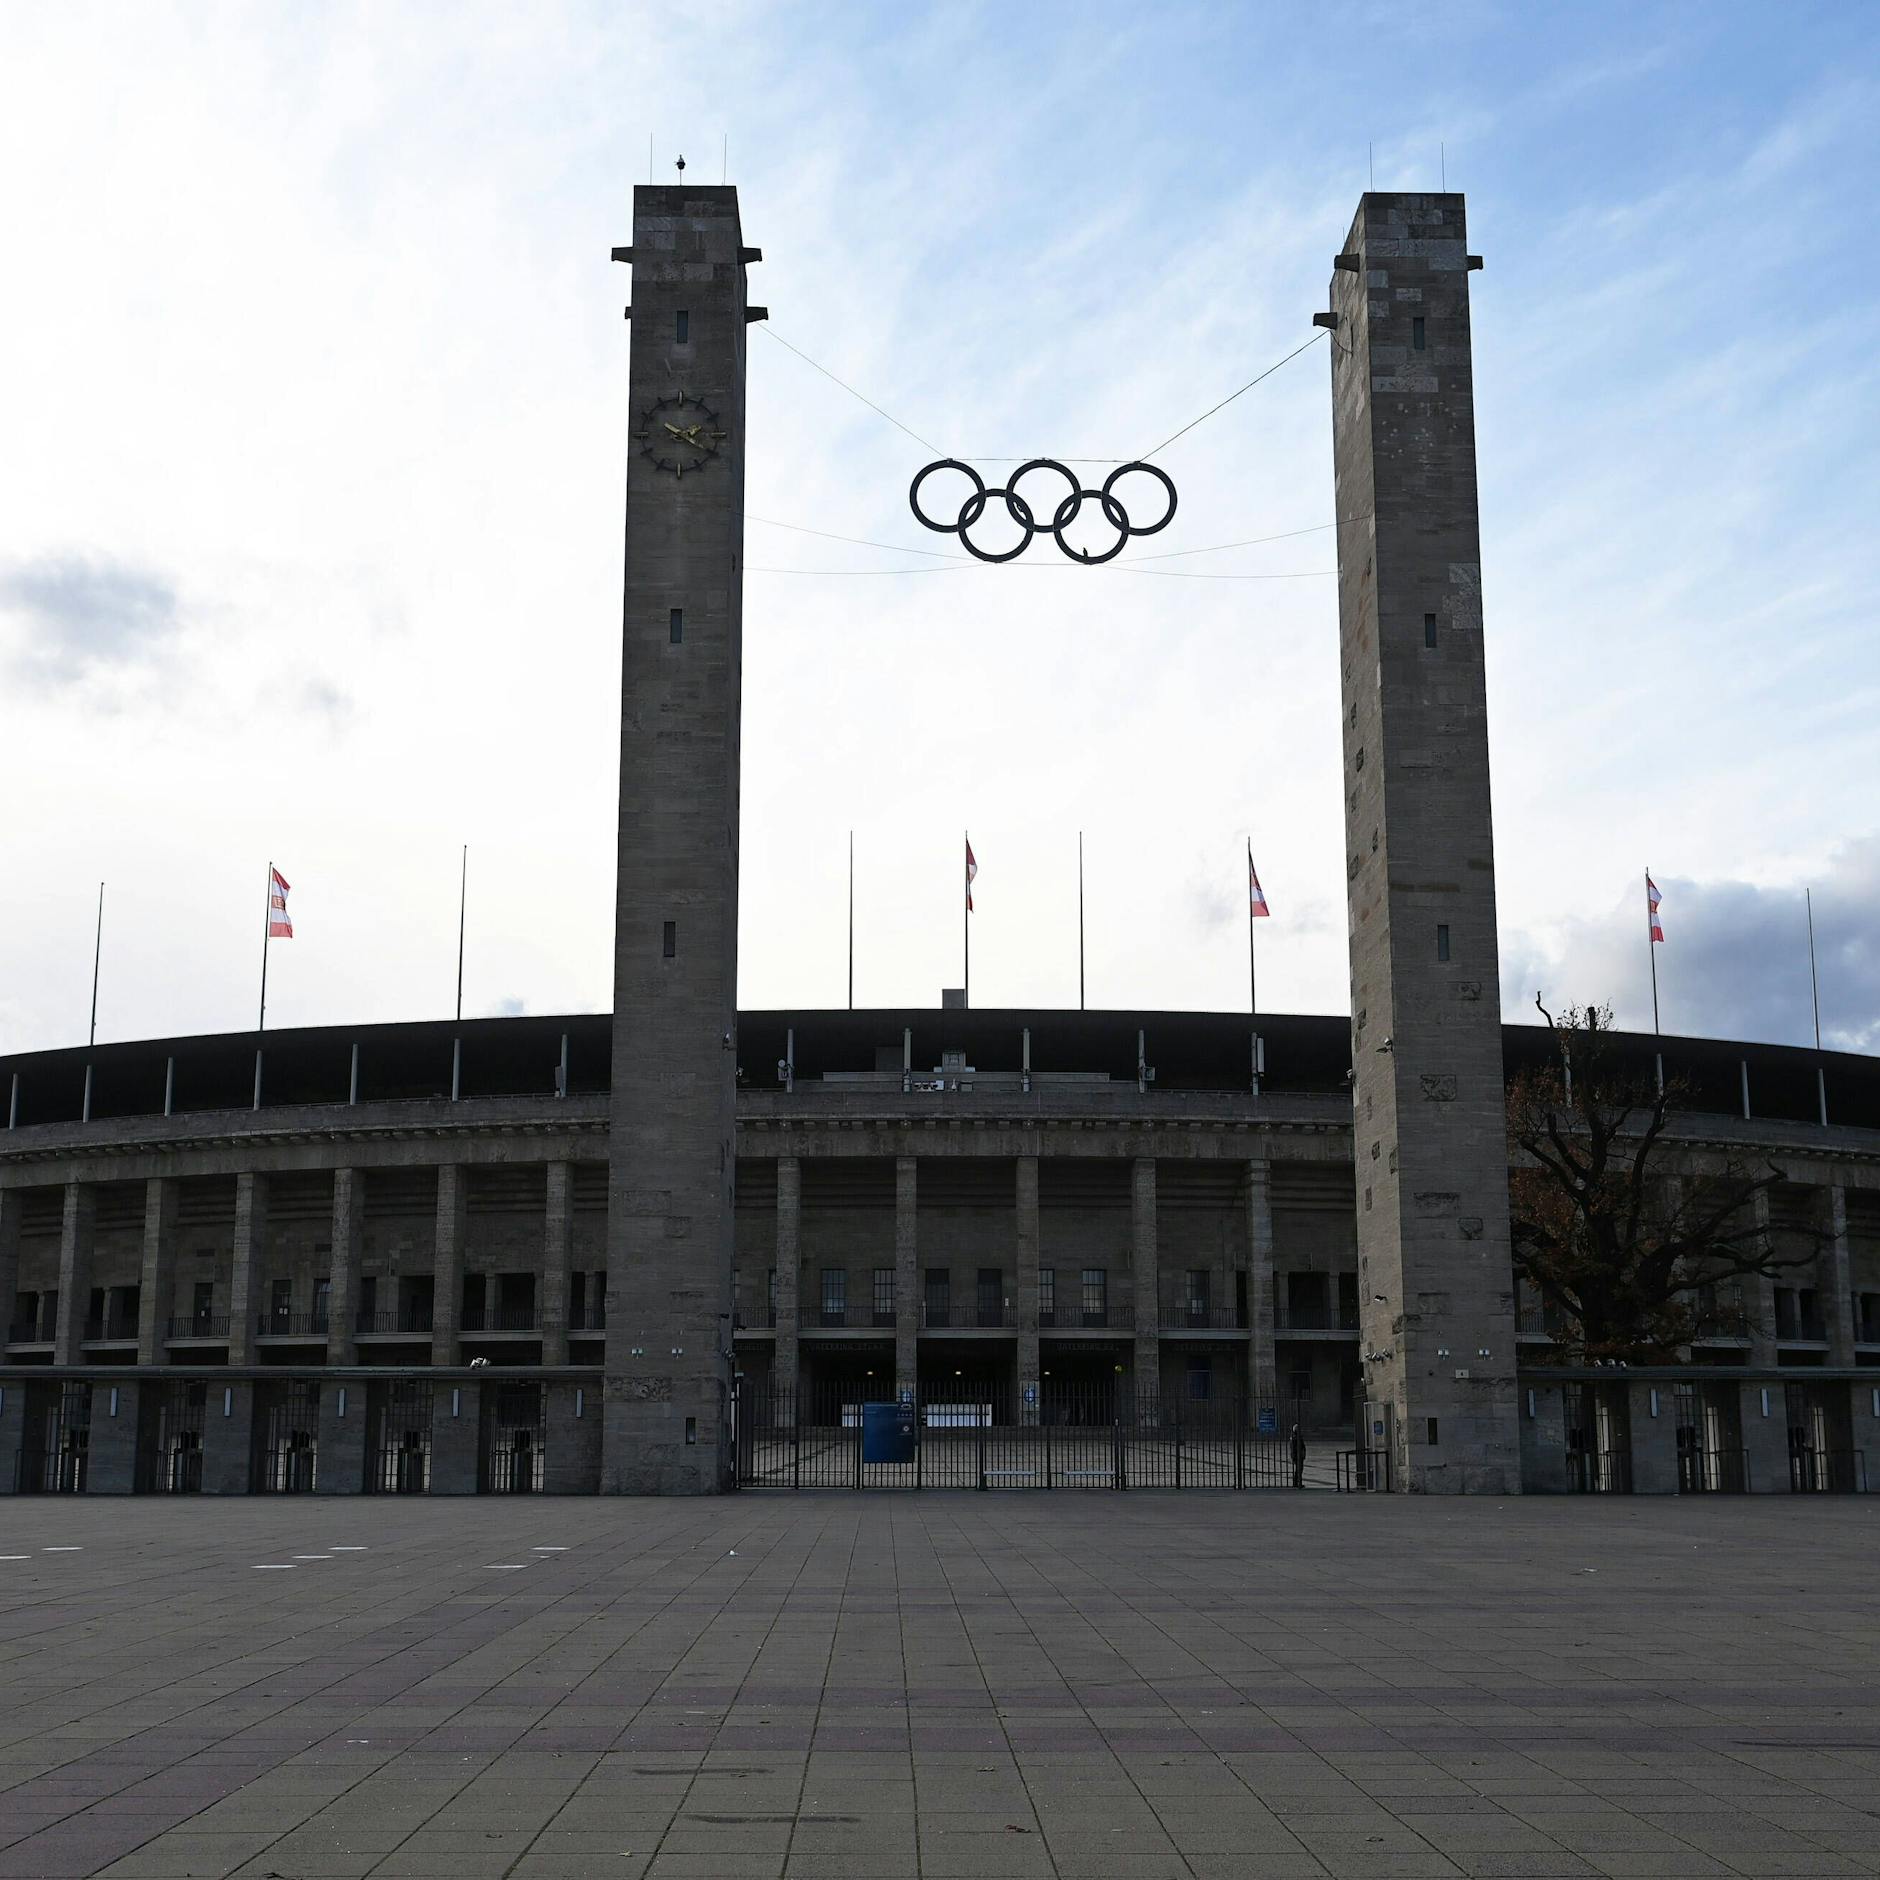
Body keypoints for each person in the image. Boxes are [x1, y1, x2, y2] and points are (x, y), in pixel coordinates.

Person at [1289, 1421, 1307, 1490]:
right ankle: (1296, 1483)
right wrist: (1294, 1456)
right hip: (1297, 1455)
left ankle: (1297, 1482)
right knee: (1299, 1469)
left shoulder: (1296, 1436)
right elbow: (1293, 1447)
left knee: (1299, 1469)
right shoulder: (1295, 1437)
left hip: (1299, 1455)